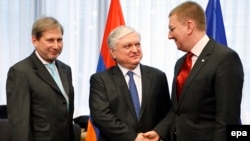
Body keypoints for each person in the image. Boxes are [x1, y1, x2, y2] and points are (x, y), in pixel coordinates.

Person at [143, 1, 244, 141]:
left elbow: (228, 118)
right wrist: (159, 132)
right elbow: (177, 110)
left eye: (172, 29)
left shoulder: (225, 58)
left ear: (189, 27)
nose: (169, 36)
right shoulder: (181, 63)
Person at [89, 25, 172, 141]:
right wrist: (133, 137)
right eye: (127, 46)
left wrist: (158, 132)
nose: (135, 50)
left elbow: (169, 112)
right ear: (113, 53)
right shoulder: (100, 80)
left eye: (137, 44)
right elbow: (101, 116)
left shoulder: (158, 76)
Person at [6, 16, 75, 141]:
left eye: (59, 40)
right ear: (35, 41)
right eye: (50, 40)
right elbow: (20, 124)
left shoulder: (66, 69)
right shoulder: (20, 72)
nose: (56, 46)